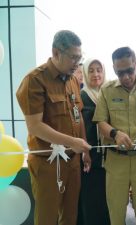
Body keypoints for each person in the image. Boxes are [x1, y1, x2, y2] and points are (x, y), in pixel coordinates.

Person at [16, 30, 91, 225]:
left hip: (73, 161)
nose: (77, 62)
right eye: (73, 57)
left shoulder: (73, 80)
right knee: (47, 218)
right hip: (47, 163)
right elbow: (35, 126)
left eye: (79, 57)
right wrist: (72, 142)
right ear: (56, 52)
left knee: (70, 216)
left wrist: (84, 150)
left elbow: (78, 117)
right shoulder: (35, 80)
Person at [93, 47, 136, 225]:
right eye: (120, 72)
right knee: (116, 214)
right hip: (116, 162)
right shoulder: (107, 91)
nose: (125, 77)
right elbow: (100, 122)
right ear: (114, 69)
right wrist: (114, 134)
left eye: (129, 71)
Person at [77, 58, 110, 225]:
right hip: (90, 155)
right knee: (91, 198)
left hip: (110, 156)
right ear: (84, 73)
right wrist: (85, 152)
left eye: (99, 70)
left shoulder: (109, 94)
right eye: (91, 70)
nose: (96, 74)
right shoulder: (81, 96)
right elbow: (78, 125)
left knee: (108, 198)